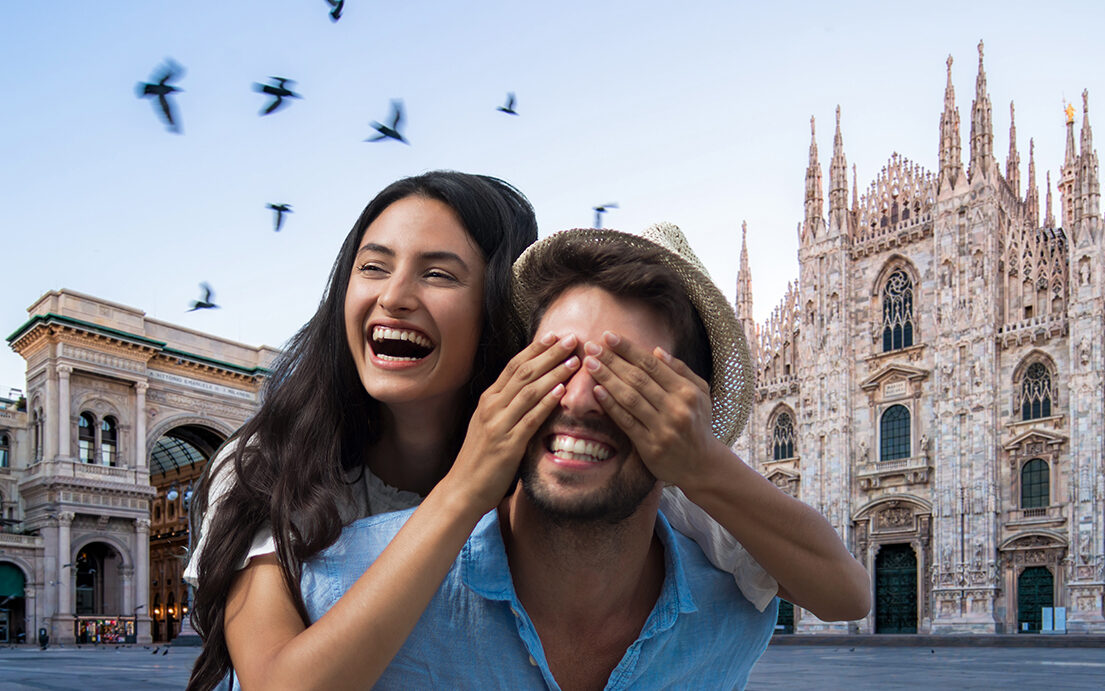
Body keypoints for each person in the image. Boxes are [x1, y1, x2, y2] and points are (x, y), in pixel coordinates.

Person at [185, 173, 867, 690]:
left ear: (493, 321)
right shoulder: (271, 467)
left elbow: (844, 591)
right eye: (373, 264)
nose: (395, 295)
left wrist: (699, 460)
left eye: (439, 273)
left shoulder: (632, 474)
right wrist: (466, 488)